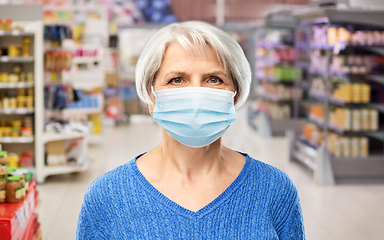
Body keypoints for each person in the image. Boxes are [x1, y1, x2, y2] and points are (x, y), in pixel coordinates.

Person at [76, 21, 305, 239]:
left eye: (214, 79)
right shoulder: (106, 197)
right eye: (177, 80)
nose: (196, 94)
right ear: (151, 97)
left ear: (235, 95)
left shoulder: (276, 191)